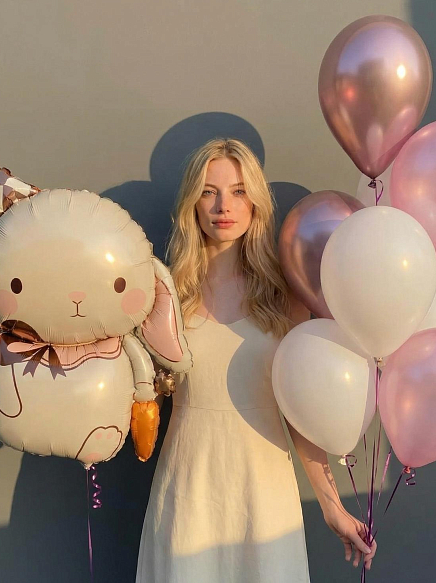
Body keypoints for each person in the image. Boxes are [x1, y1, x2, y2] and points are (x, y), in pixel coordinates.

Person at [135, 138, 377, 582]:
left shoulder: (285, 295)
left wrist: (332, 506)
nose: (223, 206)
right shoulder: (164, 292)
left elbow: (300, 413)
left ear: (256, 203)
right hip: (188, 488)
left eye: (239, 191)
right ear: (192, 203)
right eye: (209, 192)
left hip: (264, 492)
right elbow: (141, 395)